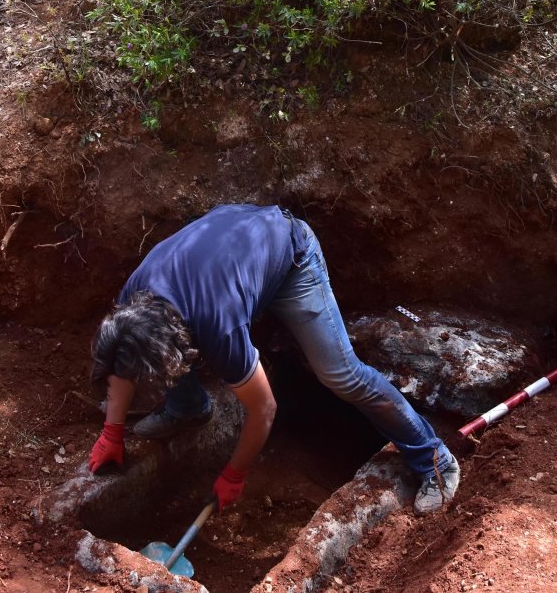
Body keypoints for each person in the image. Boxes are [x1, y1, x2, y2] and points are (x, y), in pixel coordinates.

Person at [88, 204, 459, 516]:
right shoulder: (133, 303)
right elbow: (124, 361)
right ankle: (188, 409)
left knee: (341, 375)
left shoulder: (219, 324)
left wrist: (235, 472)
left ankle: (434, 460)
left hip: (293, 257)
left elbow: (264, 409)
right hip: (232, 250)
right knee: (158, 356)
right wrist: (112, 432)